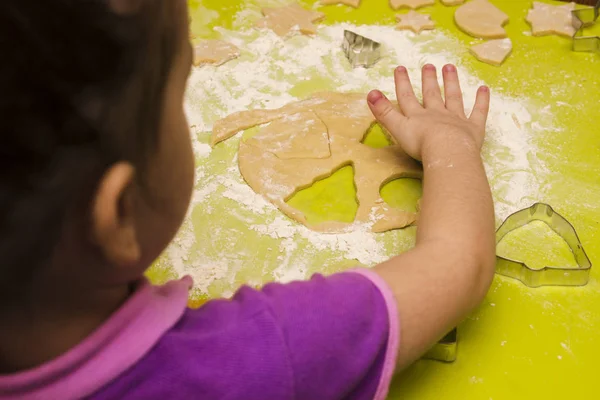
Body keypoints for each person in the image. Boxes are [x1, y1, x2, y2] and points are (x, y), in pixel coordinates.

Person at [0, 0, 496, 399]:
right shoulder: (251, 361)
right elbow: (458, 262)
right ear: (121, 214)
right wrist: (449, 145)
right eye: (178, 95)